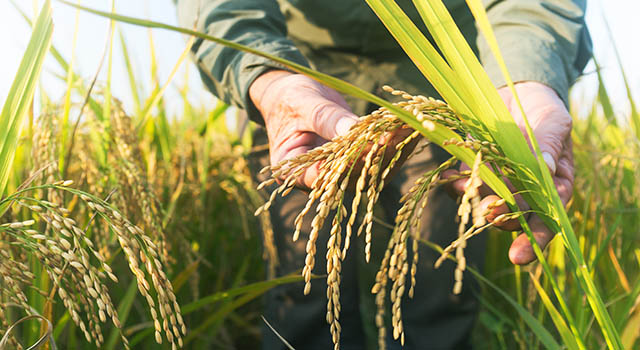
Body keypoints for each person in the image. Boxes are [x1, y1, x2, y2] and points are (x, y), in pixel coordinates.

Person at [177, 0, 591, 348]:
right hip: (298, 75)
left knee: (435, 286)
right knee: (303, 288)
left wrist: (527, 82)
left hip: (442, 83)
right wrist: (266, 76)